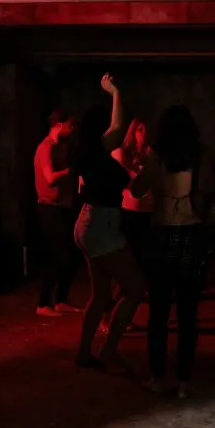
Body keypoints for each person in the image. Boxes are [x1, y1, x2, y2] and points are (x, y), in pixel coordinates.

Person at [130, 106, 214, 398]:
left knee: (159, 312)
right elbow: (205, 192)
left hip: (161, 233)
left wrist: (143, 166)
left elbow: (136, 190)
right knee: (188, 313)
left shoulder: (157, 156)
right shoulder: (201, 155)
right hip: (191, 232)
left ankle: (157, 376)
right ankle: (184, 380)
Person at [72, 75, 144, 372]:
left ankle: (85, 352)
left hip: (88, 222)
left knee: (101, 294)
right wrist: (114, 91)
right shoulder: (97, 152)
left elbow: (114, 128)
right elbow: (117, 126)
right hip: (100, 223)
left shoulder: (85, 152)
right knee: (136, 288)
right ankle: (109, 350)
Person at [34, 109, 83, 317]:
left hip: (62, 207)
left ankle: (61, 299)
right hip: (49, 209)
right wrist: (70, 172)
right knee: (58, 255)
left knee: (71, 254)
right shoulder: (46, 148)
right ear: (59, 125)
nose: (73, 130)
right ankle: (43, 303)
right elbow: (50, 178)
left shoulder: (62, 147)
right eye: (70, 125)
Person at [114, 117, 155, 264]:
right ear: (133, 132)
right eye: (140, 129)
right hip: (129, 210)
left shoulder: (152, 155)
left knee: (145, 254)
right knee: (129, 253)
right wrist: (131, 167)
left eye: (146, 130)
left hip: (148, 210)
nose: (144, 133)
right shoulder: (123, 154)